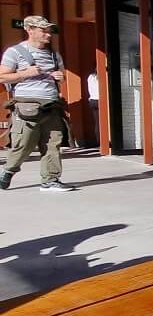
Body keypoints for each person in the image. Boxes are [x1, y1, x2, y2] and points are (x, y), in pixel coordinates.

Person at [0, 16, 74, 191]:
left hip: (52, 105)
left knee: (52, 143)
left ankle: (50, 181)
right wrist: (26, 73)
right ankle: (8, 170)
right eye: (44, 30)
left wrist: (60, 77)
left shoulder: (55, 55)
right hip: (26, 106)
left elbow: (62, 77)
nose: (48, 34)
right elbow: (2, 76)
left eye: (49, 31)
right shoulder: (15, 52)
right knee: (23, 145)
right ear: (29, 29)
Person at [86, 70, 99, 146]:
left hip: (92, 100)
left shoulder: (90, 76)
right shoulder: (100, 76)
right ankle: (102, 142)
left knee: (97, 122)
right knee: (103, 122)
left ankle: (99, 141)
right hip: (99, 100)